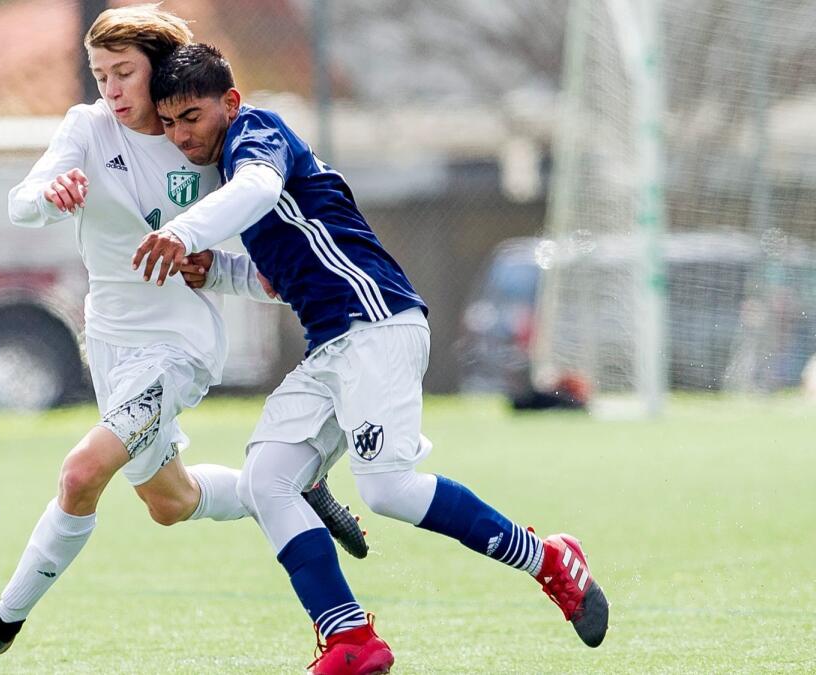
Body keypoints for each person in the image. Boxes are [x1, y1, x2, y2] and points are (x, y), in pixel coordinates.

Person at [134, 43, 610, 675]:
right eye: (167, 124)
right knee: (266, 480)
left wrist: (185, 232)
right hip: (332, 344)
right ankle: (349, 639)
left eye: (190, 116)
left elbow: (257, 188)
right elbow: (280, 278)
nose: (180, 135)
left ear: (230, 102)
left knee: (388, 489)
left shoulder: (258, 136)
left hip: (378, 323)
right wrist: (214, 270)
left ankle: (550, 559)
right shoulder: (232, 173)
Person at [0, 9, 364, 675]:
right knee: (170, 501)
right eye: (101, 75)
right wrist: (51, 191)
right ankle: (291, 487)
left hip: (178, 346)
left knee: (79, 473)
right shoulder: (86, 127)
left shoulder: (206, 145)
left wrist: (232, 269)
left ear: (160, 69)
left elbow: (271, 267)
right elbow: (23, 201)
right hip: (109, 341)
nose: (112, 89)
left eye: (124, 72)